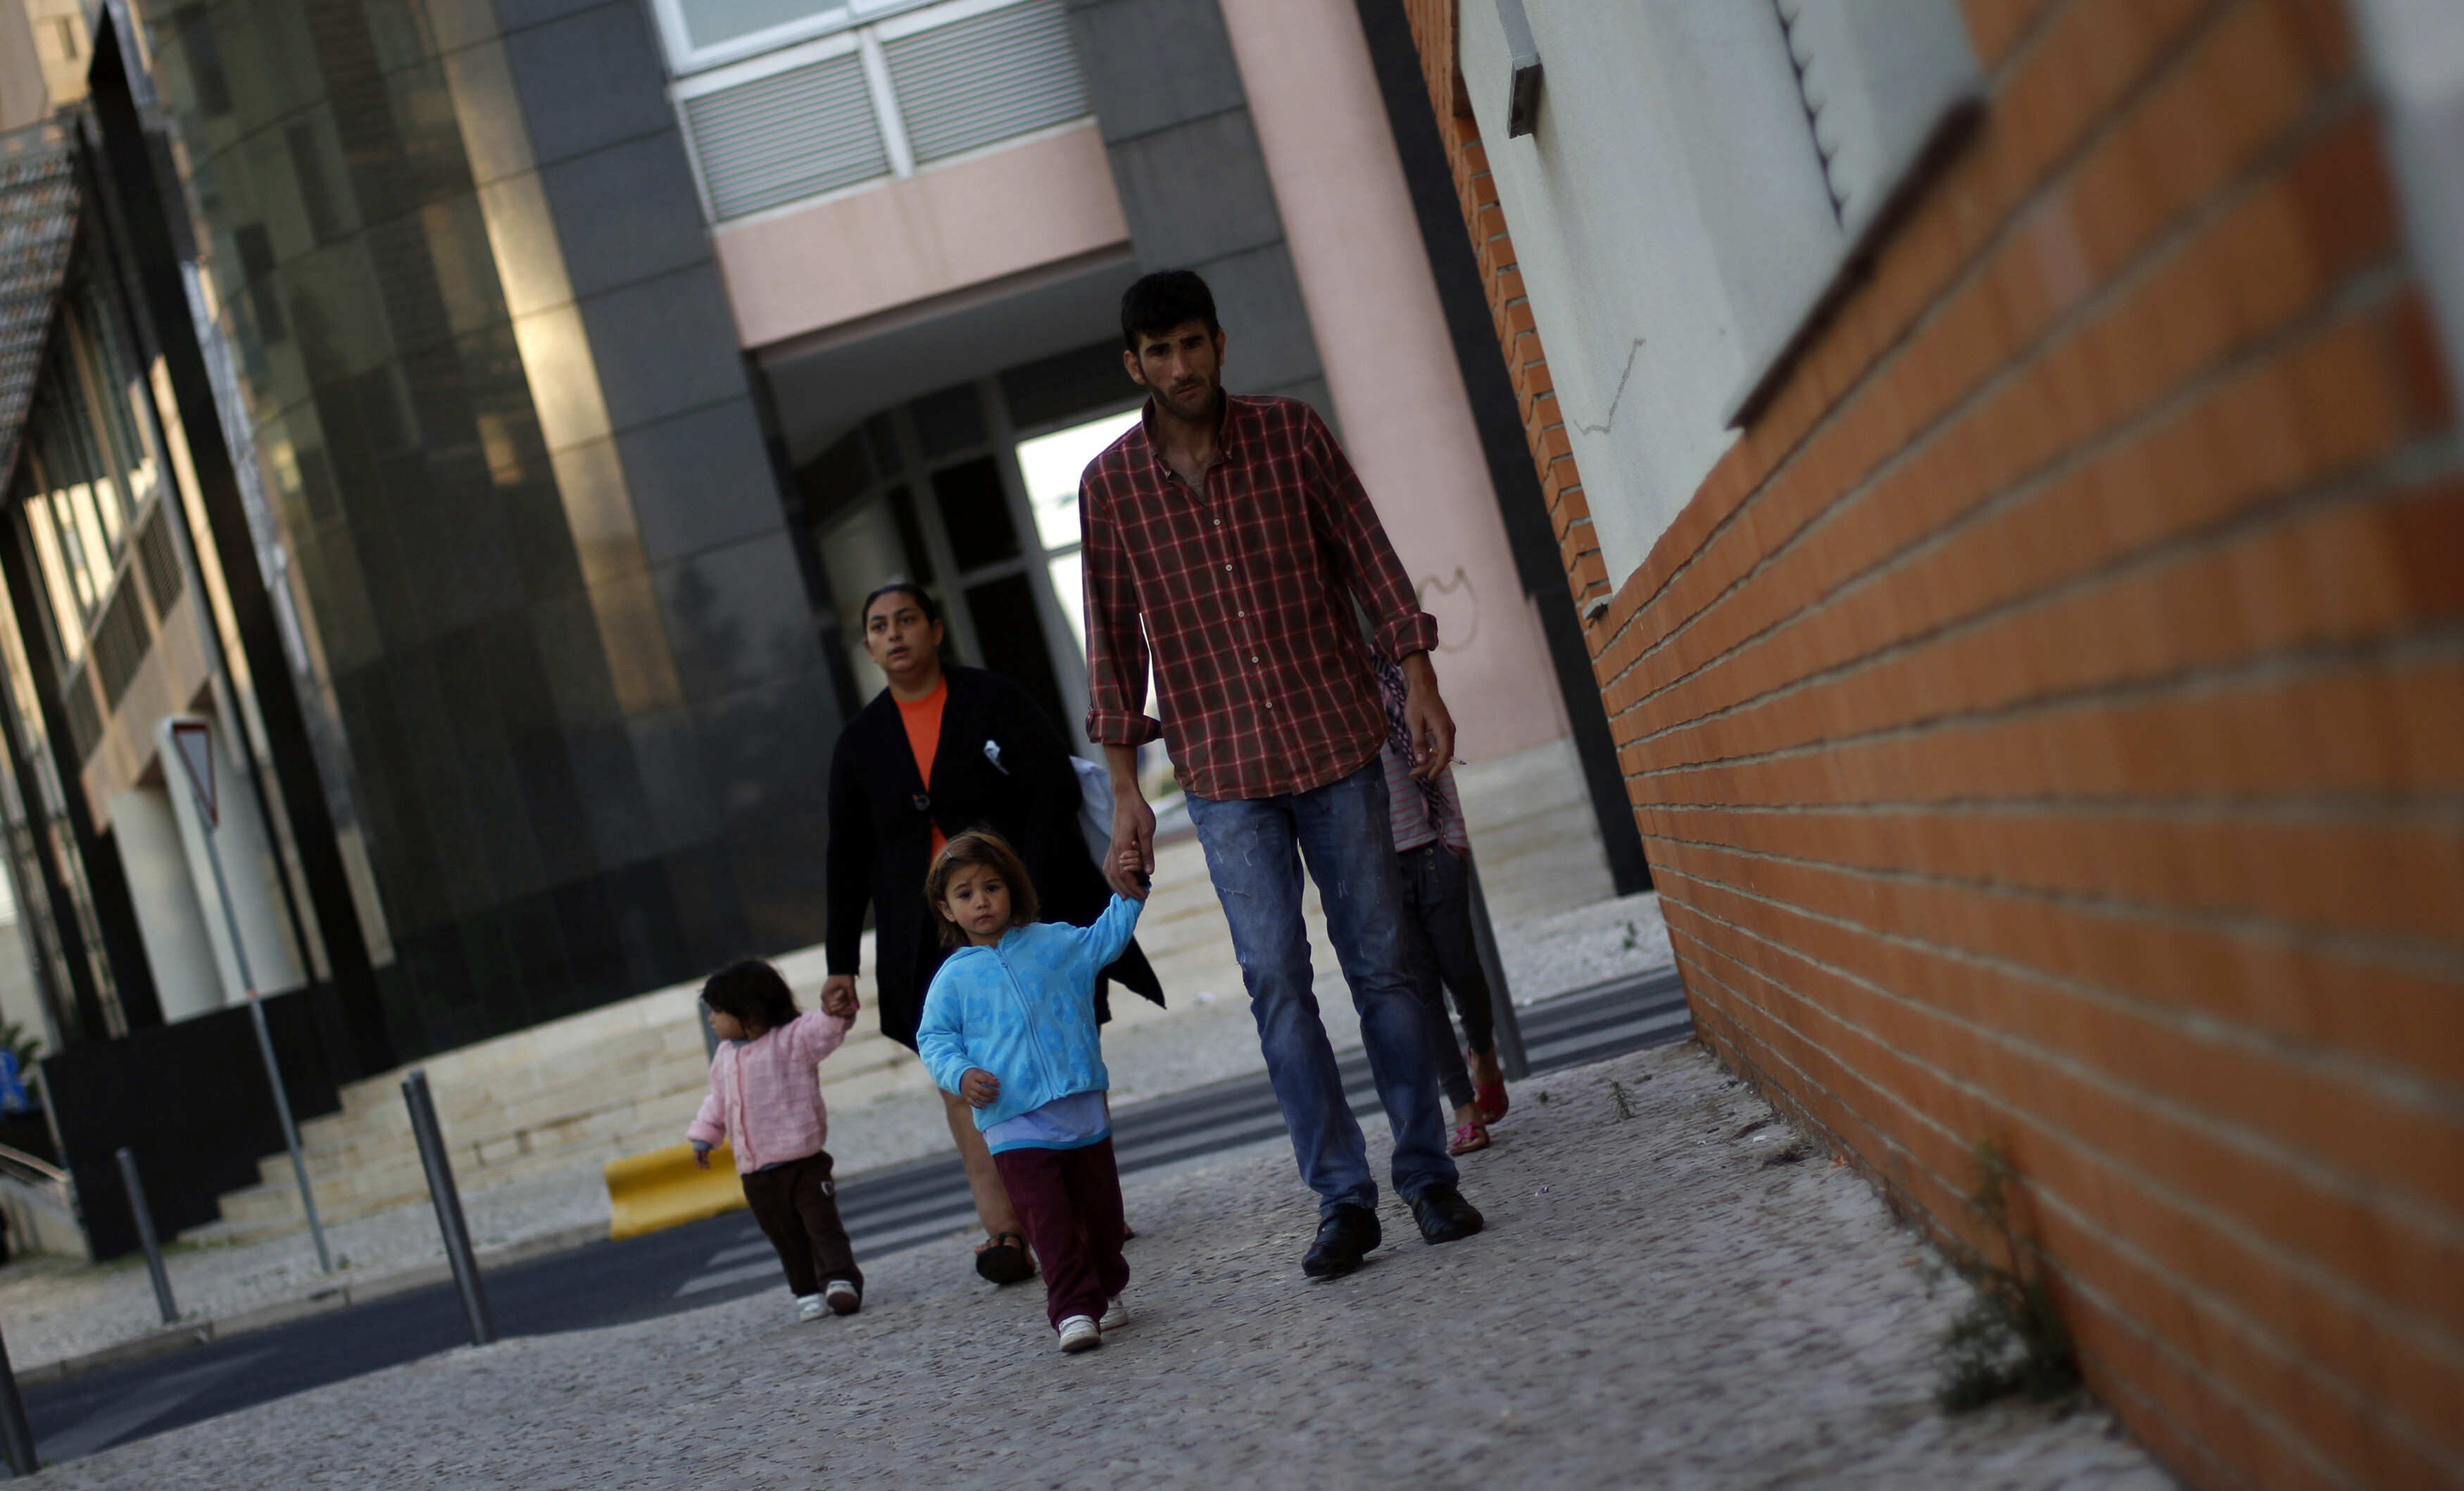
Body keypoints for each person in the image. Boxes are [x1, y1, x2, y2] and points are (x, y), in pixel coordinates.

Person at [1081, 268, 1485, 1279]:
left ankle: (1427, 1172)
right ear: (1135, 364)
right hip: (1221, 770)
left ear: (1220, 342)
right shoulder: (1111, 485)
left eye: (1192, 344)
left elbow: (1373, 561)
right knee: (1274, 978)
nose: (1180, 365)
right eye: (1158, 351)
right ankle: (1341, 1198)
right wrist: (1127, 789)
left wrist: (1421, 684)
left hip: (1337, 740)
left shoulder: (1293, 434)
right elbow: (1111, 644)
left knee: (1383, 962)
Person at [824, 582, 1164, 1285]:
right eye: (879, 626)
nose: (894, 635)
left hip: (1028, 916)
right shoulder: (859, 742)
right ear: (867, 647)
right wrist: (840, 963)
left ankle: (1085, 1209)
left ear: (936, 630)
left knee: (1061, 1050)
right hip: (927, 938)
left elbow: (1052, 790)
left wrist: (1028, 896)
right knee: (961, 1080)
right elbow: (845, 855)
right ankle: (1004, 1230)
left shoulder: (992, 698)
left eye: (907, 620)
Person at [914, 831, 1142, 1353]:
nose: (981, 901)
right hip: (1012, 1121)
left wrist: (1131, 890)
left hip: (1081, 1108)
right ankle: (1072, 1311)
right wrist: (960, 1074)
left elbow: (1105, 938)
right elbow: (935, 1038)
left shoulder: (1055, 942)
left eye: (992, 887)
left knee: (1103, 1221)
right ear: (946, 910)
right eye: (965, 893)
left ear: (1012, 890)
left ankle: (1106, 1287)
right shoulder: (952, 979)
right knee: (1049, 1223)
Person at [1370, 651, 1508, 1156]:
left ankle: (1485, 1054)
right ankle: (1464, 1109)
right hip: (1380, 874)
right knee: (1422, 994)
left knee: (1463, 971)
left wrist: (1455, 841)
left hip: (1432, 852)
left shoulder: (1399, 691)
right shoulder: (1325, 719)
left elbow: (1440, 766)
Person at [686, 959, 862, 1323]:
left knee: (822, 1227)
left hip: (804, 1163)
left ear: (749, 1013)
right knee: (785, 1238)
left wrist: (836, 1011)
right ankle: (807, 1292)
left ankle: (841, 1281)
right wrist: (705, 1136)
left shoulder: (792, 1039)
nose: (711, 1019)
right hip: (756, 1174)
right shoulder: (724, 1056)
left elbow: (824, 1030)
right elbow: (717, 1101)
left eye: (718, 1011)